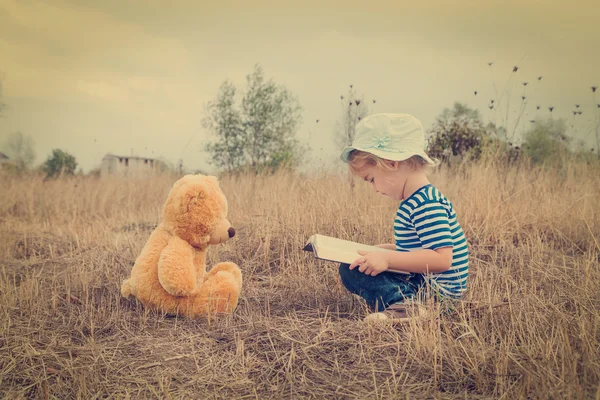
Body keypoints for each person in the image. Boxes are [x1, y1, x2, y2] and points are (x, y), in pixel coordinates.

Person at [338, 113, 469, 322]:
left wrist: (388, 259)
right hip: (423, 281)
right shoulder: (414, 201)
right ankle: (402, 304)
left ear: (391, 164)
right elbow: (417, 251)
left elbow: (442, 259)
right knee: (352, 267)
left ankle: (407, 307)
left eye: (371, 179)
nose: (374, 189)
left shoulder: (426, 203)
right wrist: (381, 250)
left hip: (437, 294)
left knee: (355, 272)